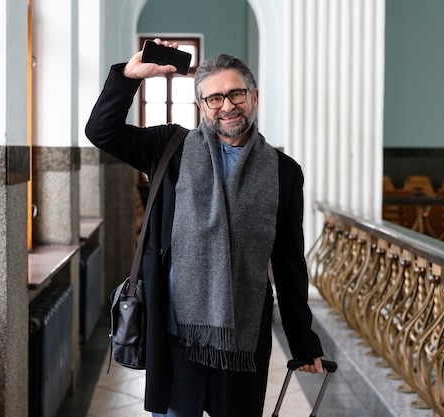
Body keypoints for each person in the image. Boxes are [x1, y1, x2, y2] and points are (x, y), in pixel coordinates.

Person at [85, 38, 324, 417]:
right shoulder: (169, 147)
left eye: (236, 94)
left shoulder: (284, 172)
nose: (227, 106)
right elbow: (101, 131)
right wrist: (130, 77)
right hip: (175, 333)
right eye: (214, 98)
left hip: (240, 336)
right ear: (201, 106)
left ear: (254, 97)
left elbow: (289, 259)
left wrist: (303, 339)